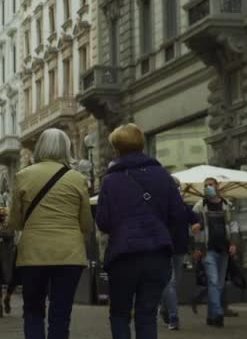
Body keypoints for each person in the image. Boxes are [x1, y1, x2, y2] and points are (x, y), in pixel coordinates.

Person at [96, 123, 186, 339]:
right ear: (141, 145)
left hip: (123, 256)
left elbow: (103, 222)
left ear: (116, 149)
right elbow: (179, 216)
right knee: (147, 314)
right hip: (156, 255)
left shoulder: (110, 180)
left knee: (119, 314)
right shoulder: (163, 176)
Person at [8, 128, 93, 339]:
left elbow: (15, 222)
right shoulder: (77, 178)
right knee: (61, 312)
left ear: (40, 148)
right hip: (68, 253)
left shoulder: (22, 176)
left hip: (33, 253)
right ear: (66, 148)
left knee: (33, 310)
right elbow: (86, 223)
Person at [192, 177, 240, 328]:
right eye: (205, 186)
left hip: (224, 250)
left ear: (217, 186)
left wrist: (233, 243)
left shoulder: (227, 205)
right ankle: (218, 314)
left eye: (210, 185)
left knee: (218, 285)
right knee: (213, 282)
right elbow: (194, 230)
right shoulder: (199, 206)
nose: (208, 188)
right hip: (208, 251)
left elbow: (234, 225)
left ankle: (211, 316)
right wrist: (197, 247)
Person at [159, 177, 202, 330]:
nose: (177, 190)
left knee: (174, 283)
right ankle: (173, 316)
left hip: (180, 249)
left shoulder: (183, 206)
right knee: (169, 282)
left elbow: (195, 219)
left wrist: (197, 224)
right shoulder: (160, 206)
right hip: (164, 249)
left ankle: (164, 309)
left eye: (178, 187)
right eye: (174, 187)